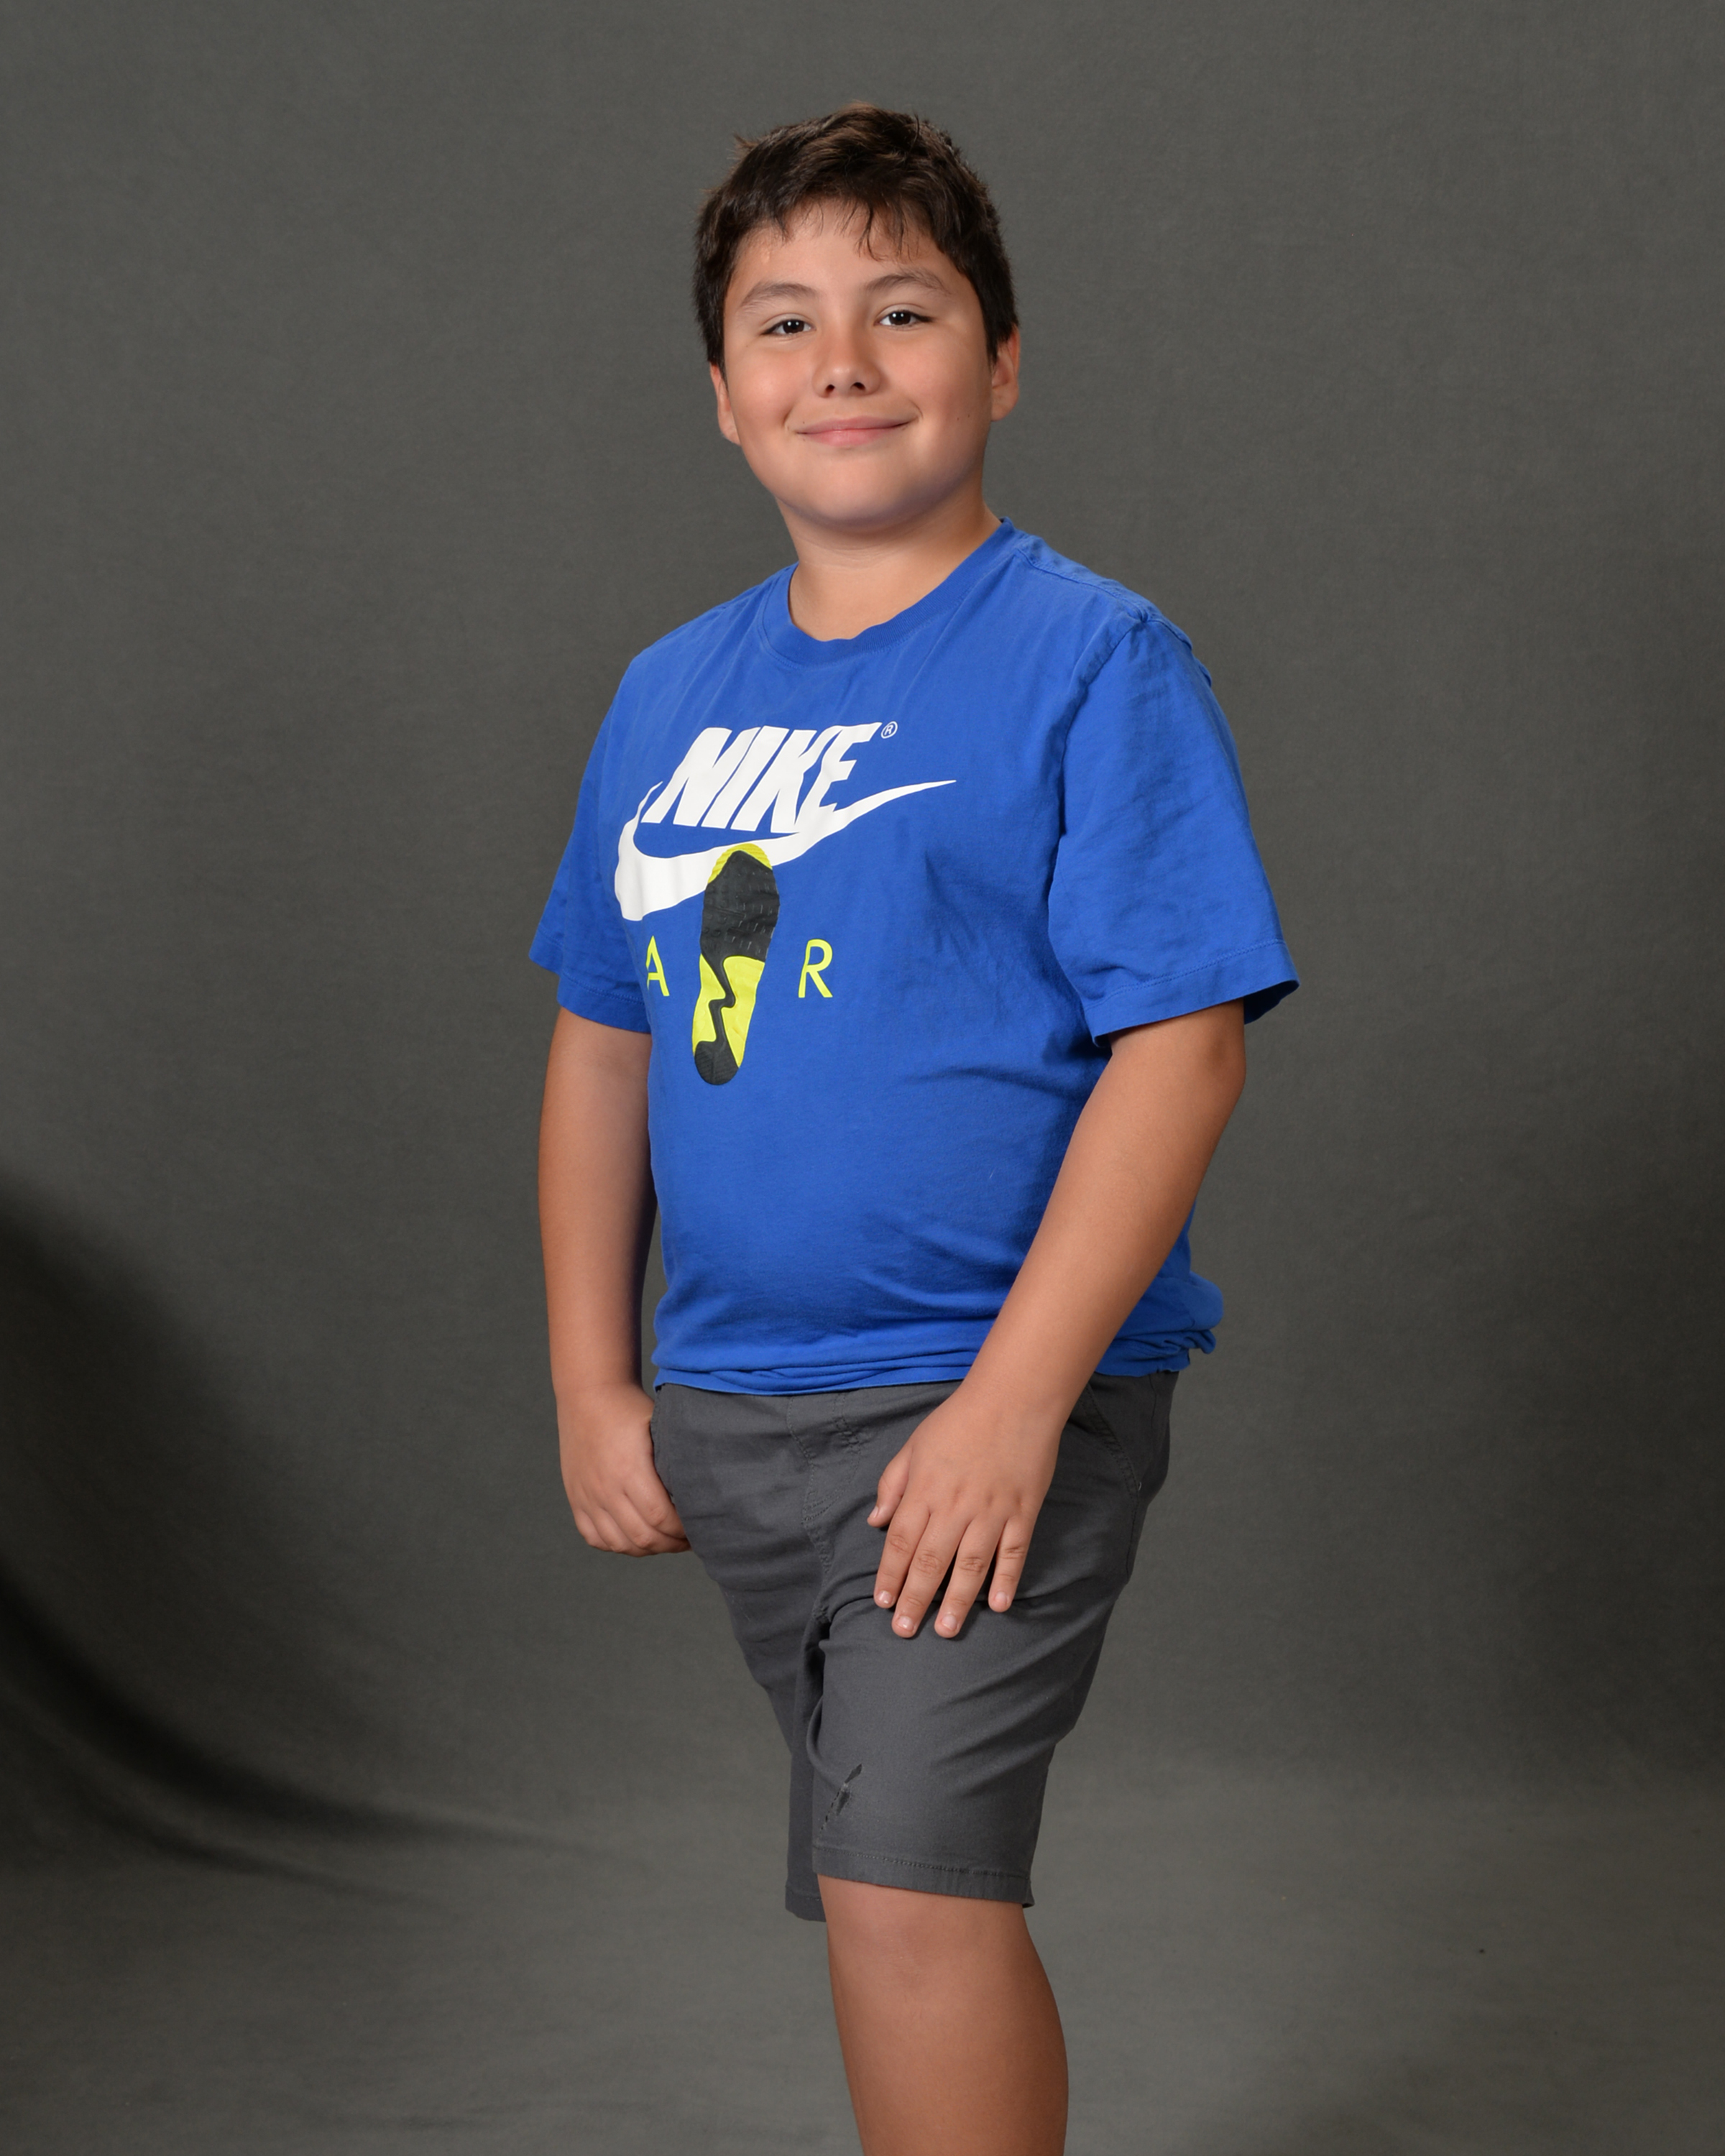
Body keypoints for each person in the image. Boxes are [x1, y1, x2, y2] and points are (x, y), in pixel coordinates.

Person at [532, 103, 1296, 2156]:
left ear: (1004, 359)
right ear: (722, 394)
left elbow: (1183, 1052)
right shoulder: (666, 697)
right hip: (739, 1412)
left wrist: (1010, 1410)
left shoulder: (1092, 662)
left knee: (903, 1891)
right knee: (896, 1886)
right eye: (782, 323)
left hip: (982, 1401)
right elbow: (605, 1042)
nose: (843, 362)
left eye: (905, 308)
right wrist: (596, 1381)